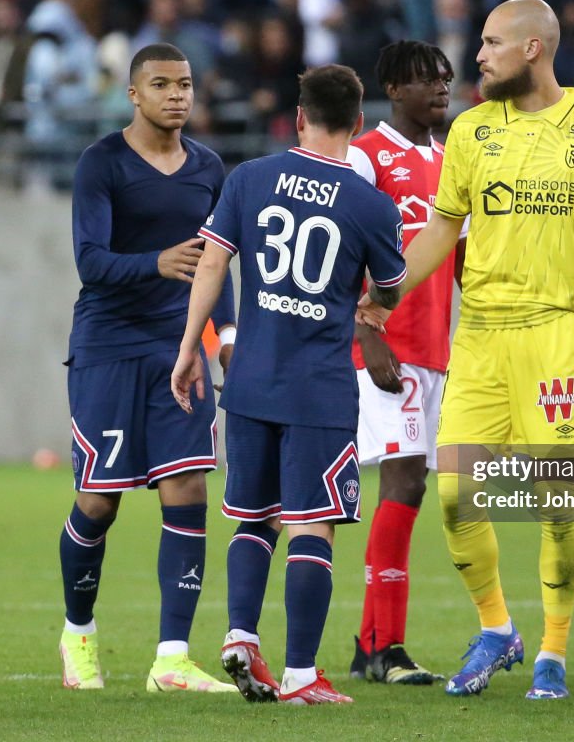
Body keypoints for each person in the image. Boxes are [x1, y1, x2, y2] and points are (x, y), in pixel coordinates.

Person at [357, 0, 574, 700]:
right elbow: (441, 232)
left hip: (556, 338)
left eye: (490, 44)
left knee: (556, 502)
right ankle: (498, 628)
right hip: (481, 339)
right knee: (456, 499)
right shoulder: (471, 132)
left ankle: (552, 649)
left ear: (531, 50)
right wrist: (387, 293)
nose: (478, 57)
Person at [171, 63, 407, 705]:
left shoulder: (249, 178)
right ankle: (302, 674)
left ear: (298, 117)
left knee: (253, 517)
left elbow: (214, 261)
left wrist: (191, 348)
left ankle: (241, 636)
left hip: (248, 381)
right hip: (319, 387)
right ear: (359, 125)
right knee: (313, 524)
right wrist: (371, 305)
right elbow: (391, 285)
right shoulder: (371, 205)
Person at [57, 43, 237, 693]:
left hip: (177, 347)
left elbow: (219, 262)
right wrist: (155, 263)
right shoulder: (101, 163)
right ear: (133, 94)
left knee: (187, 489)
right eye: (161, 84)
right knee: (99, 501)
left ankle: (172, 659)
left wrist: (228, 336)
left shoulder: (211, 168)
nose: (176, 95)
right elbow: (91, 263)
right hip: (107, 346)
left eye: (185, 84)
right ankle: (78, 634)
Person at [345, 40, 464, 686]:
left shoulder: (452, 162)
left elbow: (464, 265)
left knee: (414, 487)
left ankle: (370, 644)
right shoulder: (367, 159)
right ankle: (385, 647)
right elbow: (344, 261)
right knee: (404, 483)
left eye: (446, 78)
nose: (442, 88)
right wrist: (368, 335)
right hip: (386, 348)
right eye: (426, 80)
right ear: (394, 90)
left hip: (438, 351)